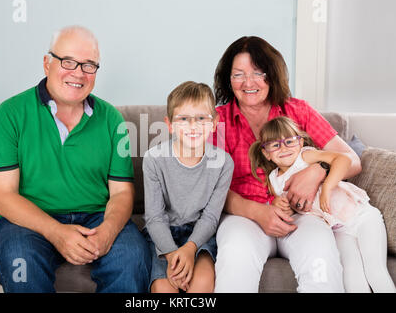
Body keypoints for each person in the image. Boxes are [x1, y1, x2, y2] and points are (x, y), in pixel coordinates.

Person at [0, 25, 151, 293]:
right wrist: (57, 233)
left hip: (96, 217)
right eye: (68, 62)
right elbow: (3, 196)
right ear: (47, 63)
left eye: (89, 65)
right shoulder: (9, 114)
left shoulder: (112, 120)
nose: (78, 73)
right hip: (29, 220)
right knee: (21, 261)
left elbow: (121, 193)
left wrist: (107, 231)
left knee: (132, 257)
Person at [211, 36, 364, 292]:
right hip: (245, 216)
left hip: (302, 215)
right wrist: (256, 212)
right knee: (235, 258)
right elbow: (210, 188)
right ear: (228, 79)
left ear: (272, 75)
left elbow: (352, 160)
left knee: (321, 258)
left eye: (258, 73)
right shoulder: (217, 121)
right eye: (238, 74)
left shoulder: (298, 111)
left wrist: (318, 171)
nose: (249, 83)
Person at [249, 116, 396, 293]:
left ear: (300, 142)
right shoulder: (274, 181)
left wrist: (327, 186)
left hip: (362, 217)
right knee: (351, 273)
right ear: (266, 153)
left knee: (375, 270)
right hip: (338, 228)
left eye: (289, 141)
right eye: (275, 145)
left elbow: (344, 159)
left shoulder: (306, 156)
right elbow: (285, 206)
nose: (284, 148)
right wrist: (280, 205)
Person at [142, 81, 234, 293]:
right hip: (162, 233)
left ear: (214, 123)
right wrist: (173, 255)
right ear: (170, 124)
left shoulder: (223, 163)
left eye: (201, 118)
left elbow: (211, 217)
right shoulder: (154, 159)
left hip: (199, 234)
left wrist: (191, 249)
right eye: (183, 119)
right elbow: (155, 218)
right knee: (164, 289)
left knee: (201, 284)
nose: (193, 126)